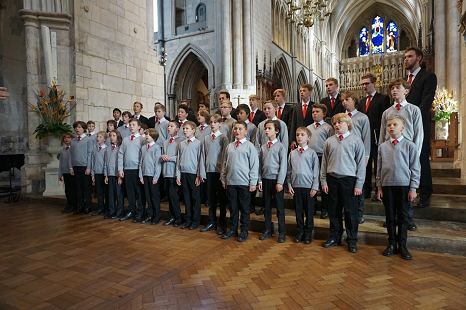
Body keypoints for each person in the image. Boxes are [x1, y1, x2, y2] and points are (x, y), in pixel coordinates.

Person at [379, 79, 424, 231]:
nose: (394, 90)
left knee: (406, 188)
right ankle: (392, 218)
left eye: (398, 87)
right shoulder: (387, 112)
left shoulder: (413, 110)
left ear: (406, 91)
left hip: (407, 151)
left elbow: (419, 133)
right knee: (391, 189)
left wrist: (416, 154)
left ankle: (407, 218)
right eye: (392, 88)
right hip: (389, 151)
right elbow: (382, 135)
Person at [376, 115, 420, 260]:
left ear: (403, 127)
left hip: (404, 186)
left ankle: (403, 245)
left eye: (395, 124)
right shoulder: (382, 147)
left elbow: (415, 168)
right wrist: (379, 187)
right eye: (389, 125)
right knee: (390, 217)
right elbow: (379, 168)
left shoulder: (410, 146)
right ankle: (391, 244)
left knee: (403, 217)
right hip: (387, 185)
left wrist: (413, 188)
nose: (391, 127)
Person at [321, 113, 365, 253]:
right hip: (332, 179)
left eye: (340, 122)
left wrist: (359, 184)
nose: (337, 125)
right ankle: (335, 236)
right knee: (333, 211)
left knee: (350, 212)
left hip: (349, 180)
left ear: (348, 124)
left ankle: (352, 240)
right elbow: (324, 163)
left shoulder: (356, 140)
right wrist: (323, 180)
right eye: (335, 123)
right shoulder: (329, 141)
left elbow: (361, 164)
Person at [404, 46, 437, 208]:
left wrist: (410, 118)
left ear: (419, 58)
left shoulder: (428, 77)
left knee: (421, 159)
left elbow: (426, 102)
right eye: (405, 57)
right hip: (403, 128)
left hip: (419, 125)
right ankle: (407, 193)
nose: (406, 59)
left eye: (410, 56)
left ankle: (425, 194)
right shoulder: (404, 81)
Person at [221, 121, 259, 242]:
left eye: (240, 129)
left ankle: (244, 231)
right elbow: (224, 164)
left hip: (244, 183)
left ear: (246, 132)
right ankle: (233, 229)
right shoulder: (230, 146)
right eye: (235, 128)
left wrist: (253, 182)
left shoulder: (249, 146)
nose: (237, 131)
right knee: (233, 207)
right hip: (231, 182)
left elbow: (254, 165)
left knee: (244, 208)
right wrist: (223, 178)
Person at [357, 73, 390, 200]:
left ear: (374, 83)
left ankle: (378, 191)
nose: (364, 86)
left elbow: (385, 119)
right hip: (364, 138)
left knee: (378, 165)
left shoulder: (383, 98)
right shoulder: (362, 101)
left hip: (377, 137)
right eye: (363, 84)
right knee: (365, 165)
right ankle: (366, 190)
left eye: (367, 83)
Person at [341, 91, 371, 224]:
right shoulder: (340, 118)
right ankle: (345, 211)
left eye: (347, 99)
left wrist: (366, 155)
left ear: (354, 100)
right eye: (342, 100)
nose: (344, 102)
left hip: (358, 155)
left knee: (359, 184)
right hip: (344, 155)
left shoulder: (362, 117)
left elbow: (366, 137)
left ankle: (359, 213)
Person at [287, 127, 320, 244]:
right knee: (298, 211)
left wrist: (315, 187)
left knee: (309, 212)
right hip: (296, 186)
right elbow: (289, 171)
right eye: (297, 135)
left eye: (302, 135)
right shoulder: (292, 153)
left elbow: (316, 172)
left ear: (308, 138)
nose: (299, 137)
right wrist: (289, 185)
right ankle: (299, 231)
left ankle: (308, 232)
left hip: (308, 188)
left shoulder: (312, 154)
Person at [198, 114, 230, 235]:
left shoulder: (223, 138)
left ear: (220, 124)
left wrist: (223, 174)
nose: (212, 124)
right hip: (209, 172)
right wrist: (202, 172)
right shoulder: (206, 138)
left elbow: (225, 157)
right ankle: (211, 222)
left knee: (221, 200)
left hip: (219, 173)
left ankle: (222, 224)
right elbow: (202, 155)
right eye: (211, 122)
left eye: (215, 122)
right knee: (210, 200)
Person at [258, 120, 288, 243]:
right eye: (265, 128)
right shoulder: (263, 147)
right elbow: (259, 165)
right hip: (265, 179)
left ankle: (282, 232)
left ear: (276, 131)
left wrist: (280, 182)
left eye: (269, 128)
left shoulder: (281, 146)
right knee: (266, 207)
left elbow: (283, 165)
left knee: (279, 208)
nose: (266, 131)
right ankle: (267, 230)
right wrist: (259, 179)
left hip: (276, 180)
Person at [307, 103, 333, 219]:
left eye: (317, 112)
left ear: (324, 114)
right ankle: (312, 207)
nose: (315, 114)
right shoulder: (308, 128)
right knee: (312, 182)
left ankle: (325, 208)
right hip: (311, 157)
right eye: (313, 112)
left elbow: (331, 144)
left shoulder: (328, 128)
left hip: (323, 157)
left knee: (323, 183)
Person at [176, 121, 202, 230]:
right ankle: (188, 219)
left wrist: (199, 175)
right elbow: (178, 159)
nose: (185, 130)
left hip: (193, 174)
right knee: (186, 198)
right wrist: (178, 175)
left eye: (187, 128)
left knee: (195, 198)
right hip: (183, 173)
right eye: (184, 129)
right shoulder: (182, 143)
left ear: (193, 130)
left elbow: (200, 160)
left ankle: (196, 221)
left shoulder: (198, 143)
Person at [118, 118, 144, 222]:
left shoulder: (142, 139)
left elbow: (143, 155)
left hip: (138, 169)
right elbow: (120, 154)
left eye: (133, 125)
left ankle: (140, 212)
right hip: (127, 169)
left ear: (139, 127)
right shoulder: (125, 139)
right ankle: (131, 211)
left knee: (140, 192)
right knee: (130, 192)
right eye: (130, 125)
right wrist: (120, 168)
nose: (131, 126)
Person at [162, 121, 184, 227]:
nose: (169, 128)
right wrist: (163, 157)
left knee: (174, 196)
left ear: (177, 129)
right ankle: (172, 216)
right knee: (169, 196)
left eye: (171, 126)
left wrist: (170, 158)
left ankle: (178, 217)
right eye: (168, 126)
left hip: (174, 172)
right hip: (166, 172)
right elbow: (163, 155)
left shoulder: (181, 141)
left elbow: (180, 157)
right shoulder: (165, 142)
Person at [69, 121, 94, 215]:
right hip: (76, 166)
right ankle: (80, 206)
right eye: (76, 127)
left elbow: (90, 154)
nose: (77, 129)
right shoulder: (73, 140)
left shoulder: (88, 139)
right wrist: (71, 167)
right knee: (78, 188)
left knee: (86, 188)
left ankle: (88, 206)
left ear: (84, 128)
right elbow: (71, 155)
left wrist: (89, 167)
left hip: (84, 166)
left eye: (79, 127)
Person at [139, 128, 162, 225]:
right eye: (146, 134)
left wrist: (156, 177)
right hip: (145, 175)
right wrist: (140, 175)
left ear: (153, 136)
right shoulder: (143, 148)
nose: (146, 136)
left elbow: (158, 164)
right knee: (148, 196)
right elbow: (141, 163)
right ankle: (150, 214)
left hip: (153, 176)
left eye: (148, 134)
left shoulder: (156, 148)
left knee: (154, 197)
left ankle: (157, 216)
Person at [104, 130, 124, 219]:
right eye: (110, 136)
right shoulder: (107, 149)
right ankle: (112, 211)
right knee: (111, 194)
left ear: (118, 137)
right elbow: (105, 162)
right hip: (110, 174)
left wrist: (120, 176)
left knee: (118, 194)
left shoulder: (120, 148)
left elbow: (121, 162)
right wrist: (106, 175)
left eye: (114, 135)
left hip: (117, 174)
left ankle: (120, 211)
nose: (111, 137)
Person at [290, 84, 315, 150]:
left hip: (310, 137)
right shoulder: (296, 107)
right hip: (299, 137)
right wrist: (292, 140)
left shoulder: (314, 106)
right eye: (300, 91)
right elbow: (293, 123)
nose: (301, 92)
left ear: (309, 92)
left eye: (304, 91)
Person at [90, 131, 108, 217]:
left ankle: (107, 208)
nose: (98, 138)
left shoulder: (106, 149)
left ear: (104, 139)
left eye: (100, 137)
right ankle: (100, 208)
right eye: (97, 137)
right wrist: (93, 174)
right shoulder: (95, 150)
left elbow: (106, 163)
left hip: (104, 174)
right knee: (99, 192)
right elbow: (93, 162)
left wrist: (106, 174)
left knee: (106, 192)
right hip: (97, 173)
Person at [58, 132, 77, 213]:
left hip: (72, 172)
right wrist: (60, 173)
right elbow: (61, 163)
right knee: (68, 190)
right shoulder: (62, 151)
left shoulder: (73, 149)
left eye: (69, 137)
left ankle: (74, 205)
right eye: (65, 138)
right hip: (65, 172)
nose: (66, 139)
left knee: (74, 190)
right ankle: (69, 204)